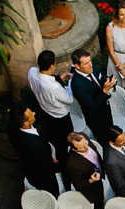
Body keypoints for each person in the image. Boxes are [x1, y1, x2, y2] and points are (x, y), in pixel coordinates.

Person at [27, 50, 76, 186]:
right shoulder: (54, 87)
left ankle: (56, 157)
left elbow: (42, 77)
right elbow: (69, 99)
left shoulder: (31, 72)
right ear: (52, 65)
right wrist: (71, 84)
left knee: (53, 139)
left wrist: (59, 78)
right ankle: (66, 174)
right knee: (63, 146)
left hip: (47, 113)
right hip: (61, 119)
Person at [64, 132, 110, 209]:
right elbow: (78, 184)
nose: (86, 147)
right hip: (92, 190)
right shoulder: (72, 163)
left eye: (86, 143)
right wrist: (91, 180)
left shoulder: (85, 138)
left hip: (100, 179)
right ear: (74, 148)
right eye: (82, 147)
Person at [7, 106, 60, 197]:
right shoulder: (35, 145)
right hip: (42, 177)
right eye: (31, 114)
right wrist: (63, 165)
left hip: (30, 164)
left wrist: (44, 156)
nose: (34, 113)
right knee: (52, 195)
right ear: (26, 123)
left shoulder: (12, 127)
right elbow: (48, 168)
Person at [70, 49, 118, 142]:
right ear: (77, 66)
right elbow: (93, 106)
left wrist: (110, 80)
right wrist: (105, 91)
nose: (90, 65)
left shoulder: (91, 68)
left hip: (106, 110)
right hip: (96, 120)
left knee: (112, 134)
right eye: (86, 63)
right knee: (104, 140)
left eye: (90, 61)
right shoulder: (77, 85)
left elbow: (102, 77)